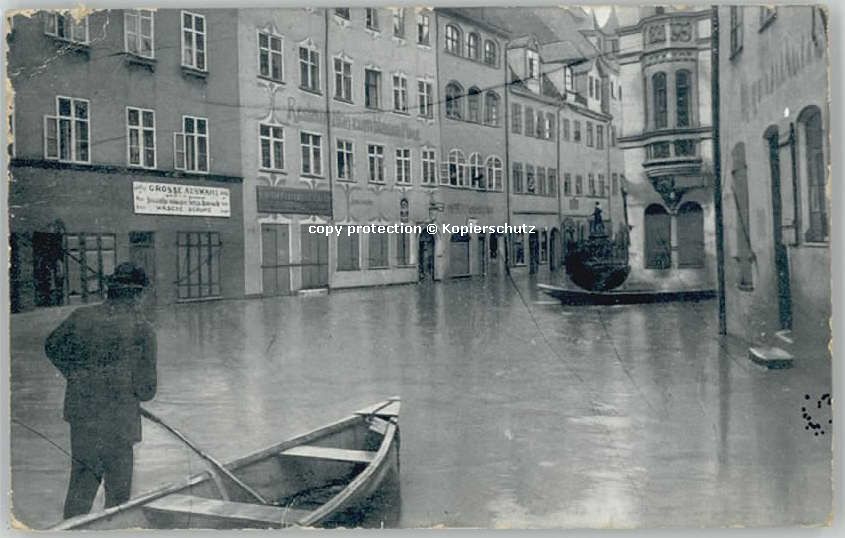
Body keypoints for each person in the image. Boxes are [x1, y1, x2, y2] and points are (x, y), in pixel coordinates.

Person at [45, 262, 157, 518]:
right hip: (119, 422)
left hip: (82, 416)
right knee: (118, 499)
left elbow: (51, 346)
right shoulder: (143, 329)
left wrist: (75, 375)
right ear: (138, 295)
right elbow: (148, 390)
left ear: (111, 290)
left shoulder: (80, 316)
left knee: (80, 489)